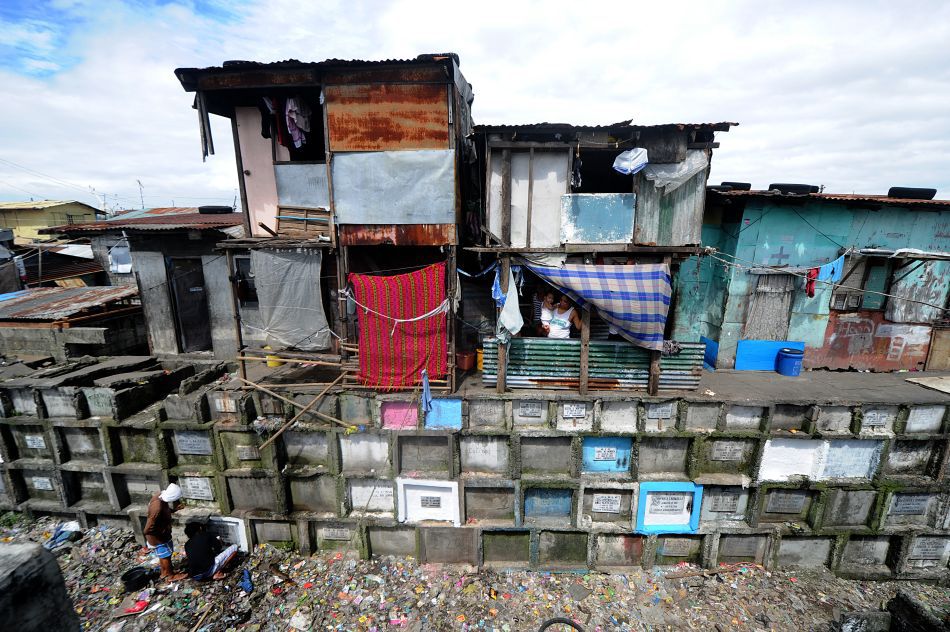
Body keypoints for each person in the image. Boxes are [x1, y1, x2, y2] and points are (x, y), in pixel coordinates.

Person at [144, 483, 187, 581]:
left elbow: (164, 510)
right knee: (166, 555)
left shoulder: (160, 497)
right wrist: (159, 534)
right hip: (158, 536)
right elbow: (148, 527)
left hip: (157, 535)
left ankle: (164, 572)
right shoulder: (157, 508)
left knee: (162, 554)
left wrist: (174, 510)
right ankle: (171, 576)